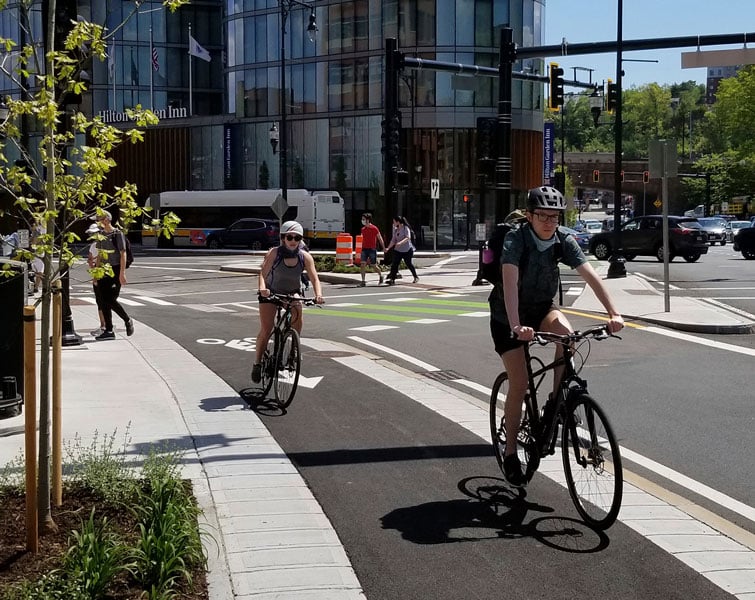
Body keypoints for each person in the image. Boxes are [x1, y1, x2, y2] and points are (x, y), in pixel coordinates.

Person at [489, 186, 624, 487]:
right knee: (520, 382)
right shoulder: (516, 239)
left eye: (554, 216)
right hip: (507, 316)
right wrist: (516, 326)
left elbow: (590, 274)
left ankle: (556, 402)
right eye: (542, 216)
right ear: (529, 215)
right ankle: (510, 451)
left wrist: (613, 313)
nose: (549, 222)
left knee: (568, 334)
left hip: (541, 308)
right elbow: (510, 285)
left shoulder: (564, 239)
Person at [251, 221, 324, 383]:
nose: (293, 240)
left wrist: (318, 294)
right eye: (289, 237)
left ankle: (294, 350)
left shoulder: (304, 256)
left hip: (292, 292)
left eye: (297, 238)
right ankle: (257, 363)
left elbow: (314, 278)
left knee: (298, 310)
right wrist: (263, 289)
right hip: (271, 292)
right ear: (283, 238)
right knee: (266, 329)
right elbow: (262, 274)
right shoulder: (274, 253)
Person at [93, 210, 134, 340]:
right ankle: (109, 330)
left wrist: (122, 273)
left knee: (110, 299)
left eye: (99, 219)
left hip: (115, 269)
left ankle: (127, 320)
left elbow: (123, 253)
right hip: (103, 270)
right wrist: (96, 273)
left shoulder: (117, 234)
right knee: (104, 301)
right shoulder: (99, 235)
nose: (97, 222)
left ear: (106, 219)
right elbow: (99, 254)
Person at [85, 223, 107, 336]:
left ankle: (105, 325)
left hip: (101, 275)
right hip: (97, 274)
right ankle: (103, 324)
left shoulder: (101, 245)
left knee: (103, 301)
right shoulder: (93, 246)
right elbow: (90, 259)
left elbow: (99, 260)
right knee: (100, 301)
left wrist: (95, 277)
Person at [385, 215, 419, 284]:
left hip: (407, 250)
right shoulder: (396, 230)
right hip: (398, 250)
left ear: (398, 222)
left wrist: (400, 243)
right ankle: (392, 279)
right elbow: (393, 240)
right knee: (395, 264)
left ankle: (415, 277)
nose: (393, 223)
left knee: (408, 263)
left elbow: (408, 238)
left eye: (394, 221)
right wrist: (388, 248)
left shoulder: (405, 228)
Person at [358, 213, 385, 286]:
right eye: (362, 219)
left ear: (368, 220)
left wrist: (383, 247)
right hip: (364, 249)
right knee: (363, 264)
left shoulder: (374, 228)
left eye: (364, 219)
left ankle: (381, 275)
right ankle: (363, 281)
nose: (362, 220)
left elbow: (380, 238)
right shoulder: (363, 229)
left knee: (373, 265)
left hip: (372, 249)